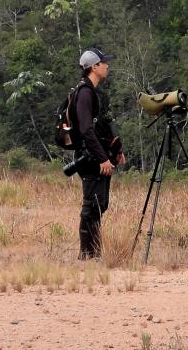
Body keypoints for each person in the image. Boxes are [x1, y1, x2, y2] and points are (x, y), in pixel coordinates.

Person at [70, 46, 125, 259]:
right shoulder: (84, 93)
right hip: (90, 158)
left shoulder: (92, 92)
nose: (107, 66)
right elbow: (85, 129)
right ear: (94, 67)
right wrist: (102, 158)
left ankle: (94, 253)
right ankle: (87, 255)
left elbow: (99, 127)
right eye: (104, 63)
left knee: (99, 205)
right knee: (91, 205)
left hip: (97, 156)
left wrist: (114, 151)